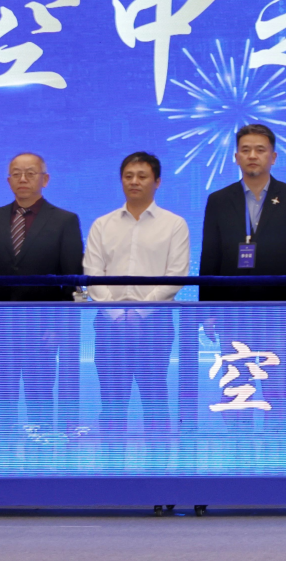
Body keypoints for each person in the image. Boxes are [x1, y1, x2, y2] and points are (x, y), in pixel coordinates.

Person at [191, 124, 286, 429]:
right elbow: (210, 257)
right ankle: (238, 450)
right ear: (236, 157)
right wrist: (208, 310)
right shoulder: (219, 200)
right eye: (245, 150)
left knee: (282, 392)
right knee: (237, 390)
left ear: (273, 157)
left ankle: (284, 451)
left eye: (260, 150)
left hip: (280, 313)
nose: (252, 156)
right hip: (233, 311)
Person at [0, 152, 85, 436]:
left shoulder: (65, 221)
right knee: (0, 401)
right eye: (16, 173)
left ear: (45, 179)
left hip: (43, 331)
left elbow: (71, 279)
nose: (23, 179)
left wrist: (59, 327)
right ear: (8, 180)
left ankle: (39, 456)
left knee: (40, 399)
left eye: (31, 173)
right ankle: (0, 455)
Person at [84, 151, 189, 438]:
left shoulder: (174, 224)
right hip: (109, 325)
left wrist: (139, 312)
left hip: (155, 325)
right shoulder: (102, 224)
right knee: (112, 401)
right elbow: (92, 274)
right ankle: (112, 460)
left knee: (155, 399)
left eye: (142, 176)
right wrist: (118, 315)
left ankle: (158, 460)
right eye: (128, 176)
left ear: (157, 182)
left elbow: (176, 274)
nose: (134, 182)